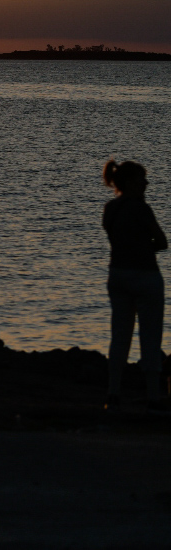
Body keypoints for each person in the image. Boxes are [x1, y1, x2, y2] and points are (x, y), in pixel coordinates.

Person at [101, 159, 167, 411]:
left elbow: (115, 239)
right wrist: (144, 248)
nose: (146, 183)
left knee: (119, 336)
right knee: (150, 337)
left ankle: (113, 393)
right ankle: (153, 397)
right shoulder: (142, 208)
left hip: (117, 275)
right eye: (142, 179)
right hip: (145, 275)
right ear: (130, 183)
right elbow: (162, 241)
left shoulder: (110, 208)